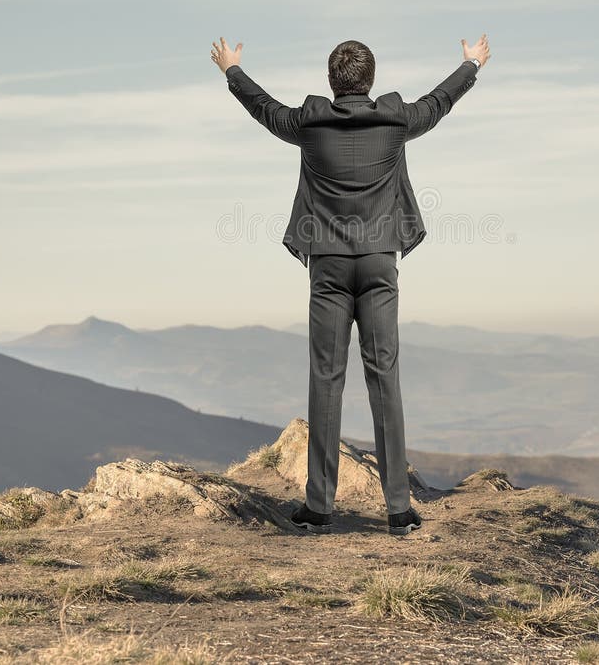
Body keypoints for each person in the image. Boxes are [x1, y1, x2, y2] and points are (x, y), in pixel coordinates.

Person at [210, 34, 490, 535]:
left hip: (330, 267)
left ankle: (319, 506)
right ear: (371, 80)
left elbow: (264, 109)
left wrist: (232, 70)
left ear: (332, 83)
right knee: (385, 378)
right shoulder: (395, 120)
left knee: (326, 378)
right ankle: (399, 508)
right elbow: (439, 102)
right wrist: (470, 65)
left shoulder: (309, 123)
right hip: (380, 263)